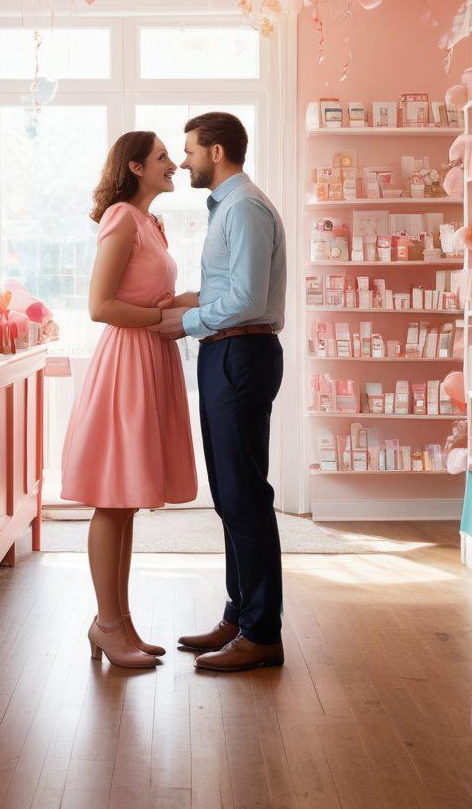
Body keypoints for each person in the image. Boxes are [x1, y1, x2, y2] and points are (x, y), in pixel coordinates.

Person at [152, 112, 287, 673]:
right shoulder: (228, 208)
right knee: (230, 495)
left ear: (217, 151)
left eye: (189, 151)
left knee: (244, 495)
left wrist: (185, 322)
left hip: (242, 353)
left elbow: (250, 299)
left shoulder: (244, 207)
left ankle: (262, 633)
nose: (183, 162)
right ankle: (239, 616)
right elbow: (231, 288)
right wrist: (190, 301)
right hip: (227, 352)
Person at [60, 131, 197, 669]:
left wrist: (177, 302)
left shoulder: (151, 223)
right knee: (113, 499)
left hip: (150, 358)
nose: (174, 164)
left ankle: (119, 621)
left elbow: (139, 293)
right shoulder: (121, 218)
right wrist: (167, 315)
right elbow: (100, 306)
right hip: (127, 362)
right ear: (136, 167)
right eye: (163, 157)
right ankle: (107, 624)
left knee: (128, 500)